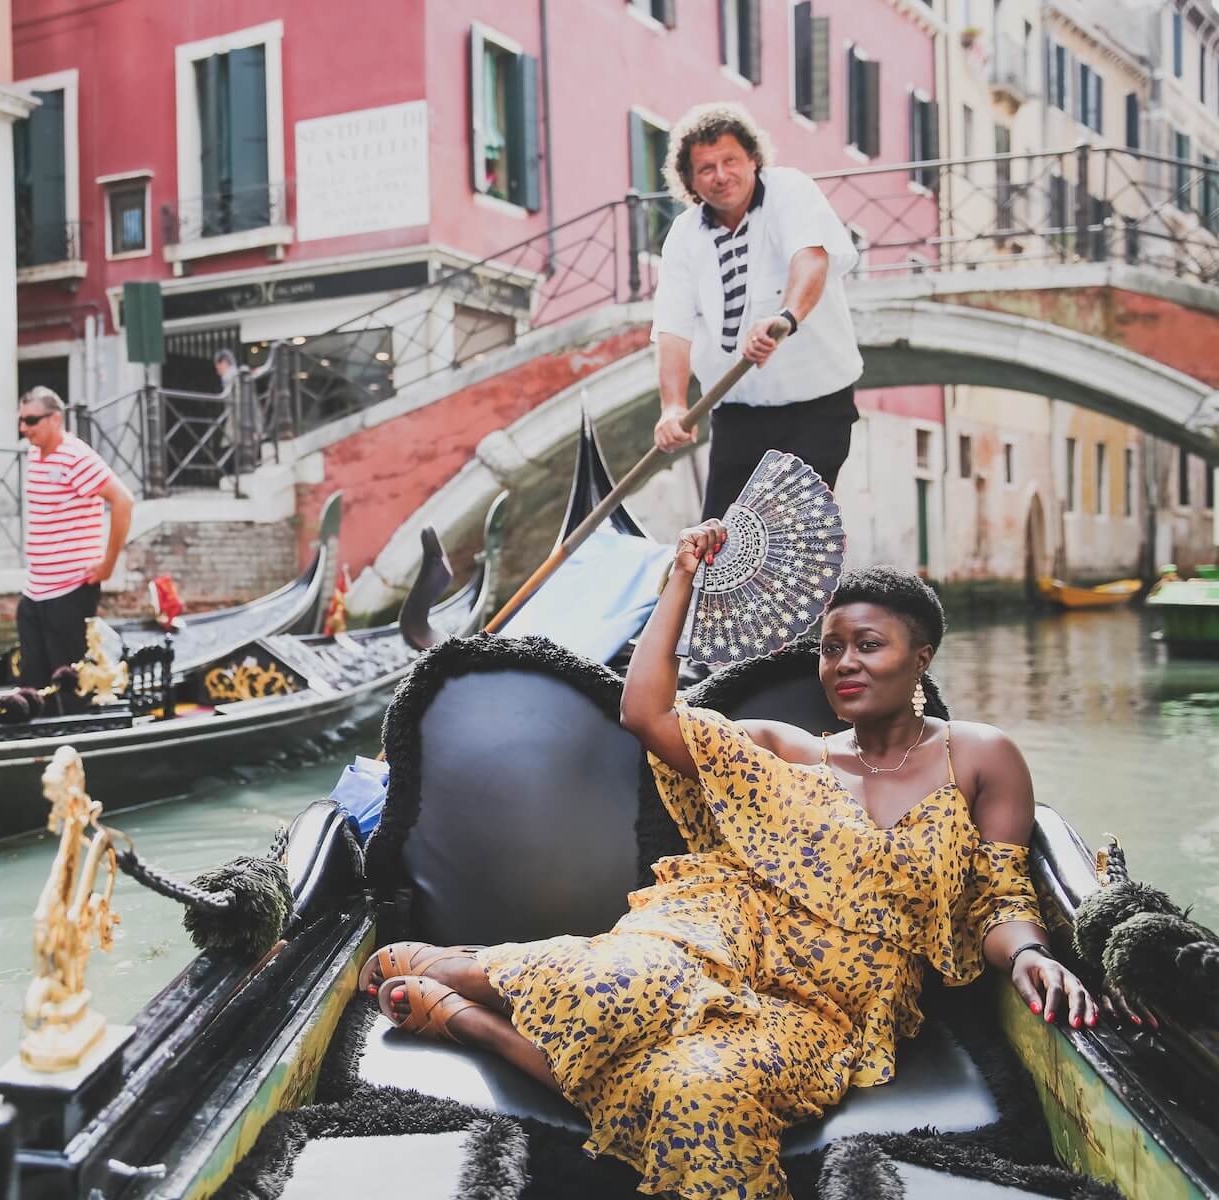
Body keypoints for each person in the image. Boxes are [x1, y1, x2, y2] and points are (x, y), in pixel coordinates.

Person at [359, 520, 1102, 1200]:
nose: (843, 663)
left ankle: (476, 1023)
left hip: (826, 1004)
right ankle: (457, 965)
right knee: (622, 986)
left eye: (868, 645)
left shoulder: (978, 755)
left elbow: (999, 899)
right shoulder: (786, 748)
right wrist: (680, 578)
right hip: (715, 930)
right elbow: (647, 714)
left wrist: (1031, 956)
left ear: (922, 657)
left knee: (699, 1090)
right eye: (830, 647)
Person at [650, 104, 864, 521]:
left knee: (793, 539)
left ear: (752, 159)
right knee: (721, 540)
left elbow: (811, 259)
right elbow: (673, 327)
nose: (721, 175)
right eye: (706, 168)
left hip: (816, 405)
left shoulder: (788, 191)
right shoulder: (684, 235)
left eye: (730, 160)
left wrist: (786, 318)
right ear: (691, 181)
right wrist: (673, 406)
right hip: (737, 410)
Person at [16, 386, 133, 688]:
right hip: (35, 590)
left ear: (55, 419)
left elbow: (123, 500)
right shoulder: (34, 456)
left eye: (31, 421)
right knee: (33, 681)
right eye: (21, 421)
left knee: (69, 684)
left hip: (69, 591)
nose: (23, 429)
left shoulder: (75, 456)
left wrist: (108, 565)